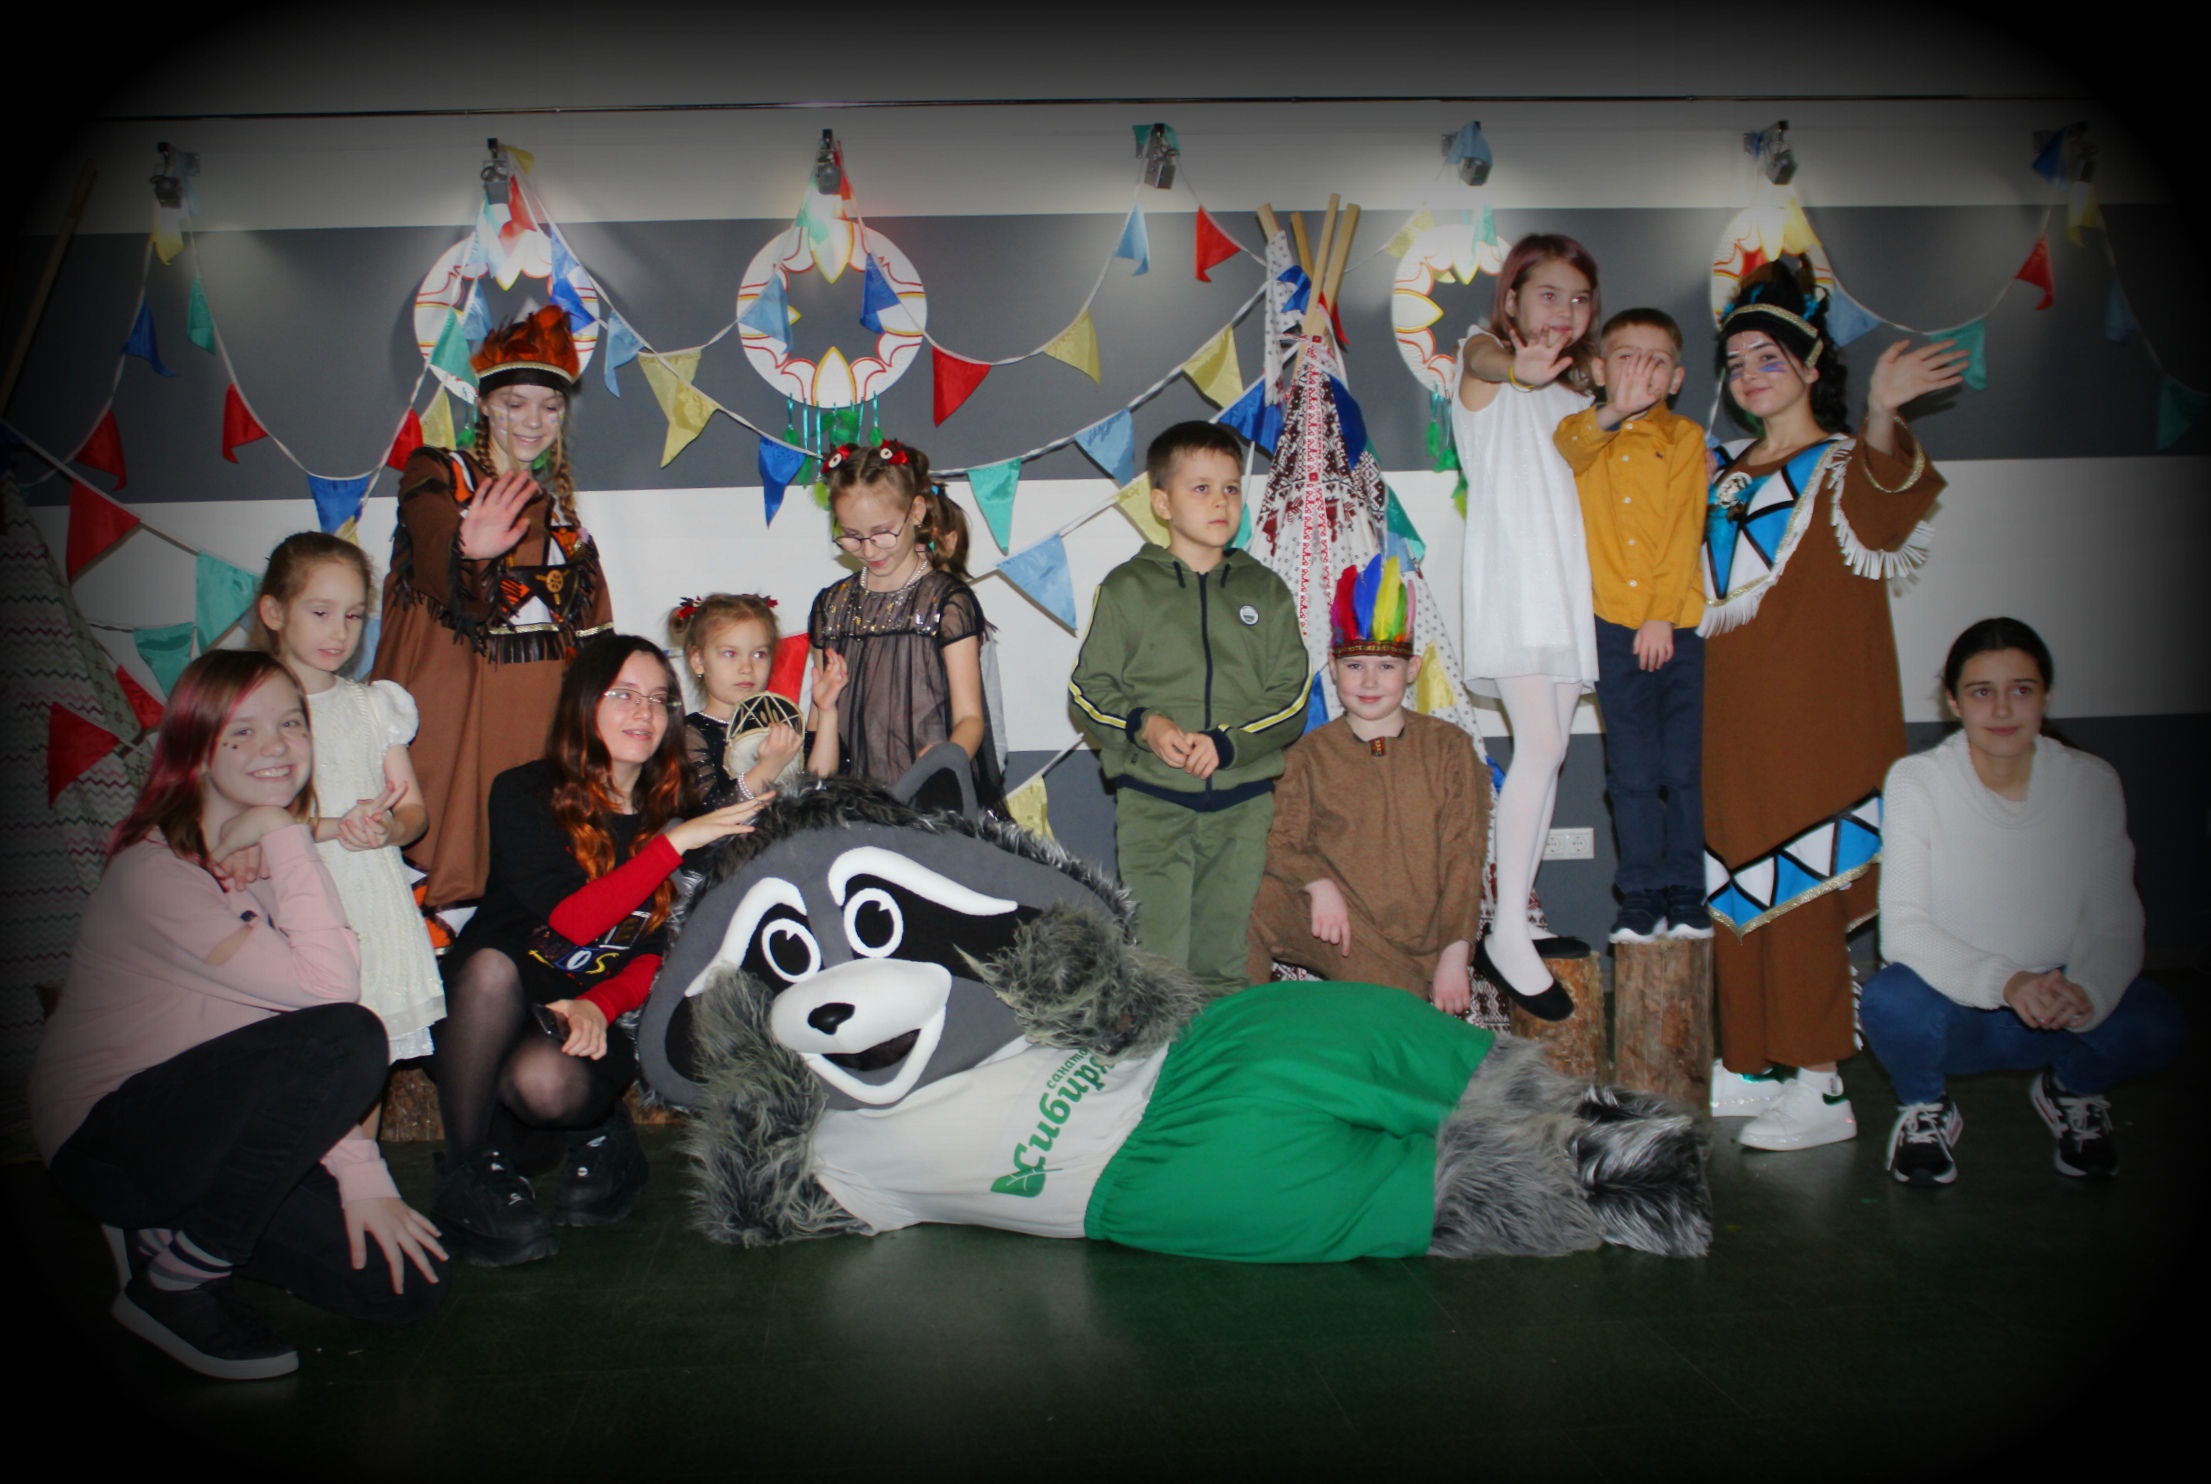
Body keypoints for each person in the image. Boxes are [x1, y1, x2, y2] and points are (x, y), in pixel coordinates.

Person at [30, 650, 447, 1381]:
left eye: (291, 724)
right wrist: (283, 827)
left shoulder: (265, 861)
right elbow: (332, 999)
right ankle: (180, 1277)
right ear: (196, 747)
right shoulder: (155, 875)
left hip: (212, 1130)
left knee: (402, 1286)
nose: (276, 747)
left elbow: (293, 1051)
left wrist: (364, 1182)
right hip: (112, 1143)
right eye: (243, 732)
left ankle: (166, 1233)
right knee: (350, 1034)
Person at [1698, 257, 1970, 1151]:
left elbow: (1888, 507)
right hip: (1731, 722)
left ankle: (1819, 1084)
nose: (1748, 375)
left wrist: (1884, 410)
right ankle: (1752, 1062)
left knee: (1800, 892)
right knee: (1738, 885)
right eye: (1736, 362)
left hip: (1814, 723)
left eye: (1768, 358)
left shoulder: (1845, 461)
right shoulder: (1718, 474)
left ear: (1812, 365)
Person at [430, 634, 767, 1265]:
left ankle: (601, 1134)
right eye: (623, 695)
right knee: (489, 969)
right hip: (494, 1014)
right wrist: (672, 845)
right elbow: (575, 920)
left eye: (659, 699)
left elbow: (664, 949)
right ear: (584, 703)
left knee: (544, 1084)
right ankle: (467, 1174)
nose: (644, 712)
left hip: (589, 1016)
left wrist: (601, 1005)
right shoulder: (523, 792)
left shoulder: (680, 811)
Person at [1863, 619, 2185, 1185]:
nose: (2002, 709)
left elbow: (2116, 921)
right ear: (1953, 702)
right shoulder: (1917, 780)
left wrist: (2089, 988)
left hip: (2060, 1005)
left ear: (2046, 696)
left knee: (2157, 1024)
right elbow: (1904, 929)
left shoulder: (2091, 781)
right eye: (1981, 692)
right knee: (1890, 1002)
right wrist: (2007, 982)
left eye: (2022, 689)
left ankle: (2071, 1092)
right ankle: (1925, 1109)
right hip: (1959, 1007)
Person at [371, 305, 613, 909]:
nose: (533, 421)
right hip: (452, 726)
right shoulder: (436, 474)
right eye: (514, 403)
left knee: (524, 884)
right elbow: (437, 555)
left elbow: (595, 650)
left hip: (533, 737)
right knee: (445, 879)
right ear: (483, 404)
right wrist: (468, 551)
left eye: (550, 407)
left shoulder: (566, 527)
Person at [1070, 421, 1311, 996]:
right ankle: (1158, 1054)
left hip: (1242, 806)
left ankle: (1218, 1055)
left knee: (1223, 960)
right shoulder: (1128, 588)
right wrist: (1145, 726)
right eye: (1200, 488)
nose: (1220, 502)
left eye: (1230, 488)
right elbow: (1087, 690)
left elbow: (1292, 696)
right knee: (1157, 960)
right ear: (1163, 503)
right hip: (1153, 803)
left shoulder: (1266, 590)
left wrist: (1229, 743)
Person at [1453, 233, 1604, 1020]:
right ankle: (1505, 927)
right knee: (1541, 746)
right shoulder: (1484, 362)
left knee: (1551, 751)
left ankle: (1517, 916)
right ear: (1511, 298)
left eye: (1578, 299)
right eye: (1548, 294)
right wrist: (1517, 368)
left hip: (1569, 586)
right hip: (1515, 583)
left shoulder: (1576, 397)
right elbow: (1484, 361)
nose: (1565, 312)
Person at [1245, 556, 1488, 1012]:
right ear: (1333, 668)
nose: (1370, 681)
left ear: (1412, 669)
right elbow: (1279, 841)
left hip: (1417, 949)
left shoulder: (1449, 748)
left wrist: (1455, 956)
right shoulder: (1308, 754)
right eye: (1355, 666)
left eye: (1386, 667)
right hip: (1345, 933)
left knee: (1395, 1033)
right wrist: (1318, 883)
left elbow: (1464, 856)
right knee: (1245, 896)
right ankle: (1244, 1036)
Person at [249, 532, 444, 1062]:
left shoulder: (375, 706)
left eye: (353, 616)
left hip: (370, 900)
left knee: (366, 1053)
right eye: (321, 612)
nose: (339, 632)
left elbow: (412, 810)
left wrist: (389, 828)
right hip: (291, 893)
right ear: (274, 611)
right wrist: (339, 826)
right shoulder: (248, 710)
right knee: (294, 1055)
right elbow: (244, 823)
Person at [1553, 308, 1712, 944]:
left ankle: (1689, 892)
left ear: (1676, 378)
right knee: (1632, 773)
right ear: (1598, 369)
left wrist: (1660, 615)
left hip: (1675, 625)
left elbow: (1684, 529)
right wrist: (1614, 410)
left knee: (1682, 768)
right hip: (1611, 627)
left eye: (1657, 360)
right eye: (1626, 357)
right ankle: (1641, 895)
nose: (1642, 370)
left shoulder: (1686, 437)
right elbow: (1570, 446)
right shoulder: (1584, 433)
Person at [806, 439, 1001, 810]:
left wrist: (941, 767)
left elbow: (970, 718)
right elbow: (818, 725)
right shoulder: (831, 608)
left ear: (916, 511)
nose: (868, 550)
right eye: (851, 535)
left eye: (882, 532)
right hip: (853, 808)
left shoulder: (948, 602)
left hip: (932, 807)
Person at [668, 592, 807, 809]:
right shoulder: (690, 734)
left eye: (759, 654)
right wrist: (767, 769)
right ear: (699, 661)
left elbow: (822, 783)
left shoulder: (781, 724)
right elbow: (709, 810)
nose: (747, 668)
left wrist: (826, 711)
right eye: (730, 654)